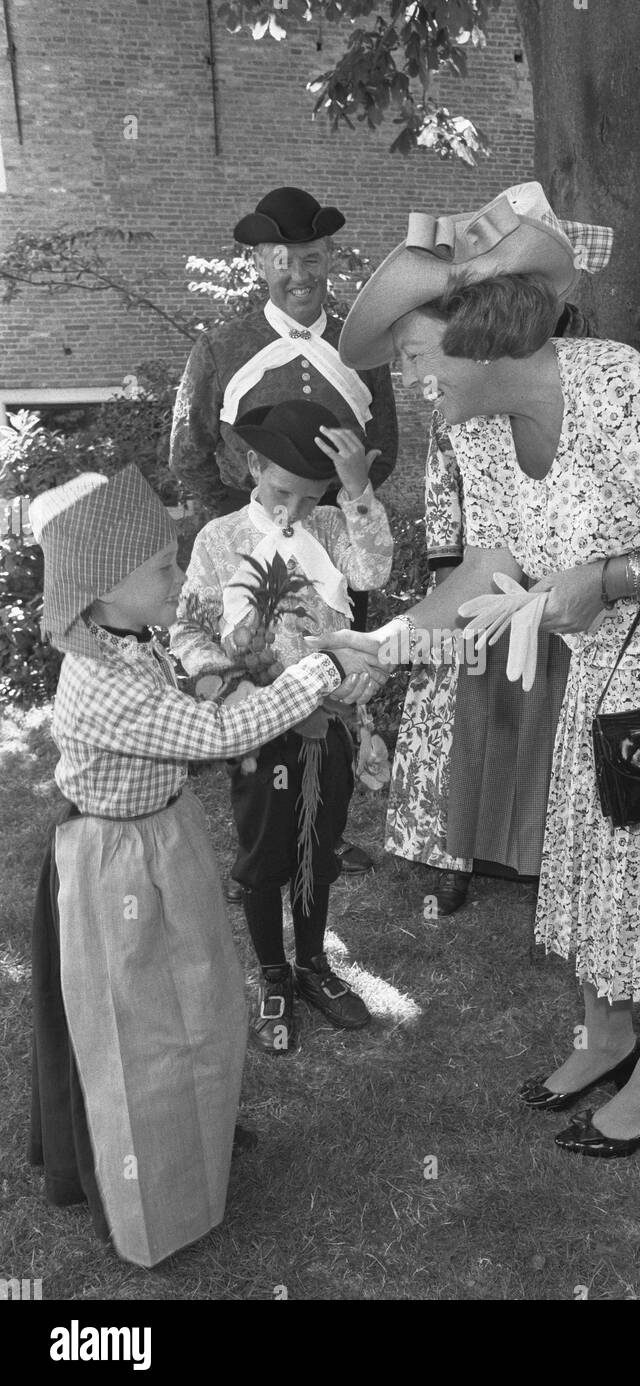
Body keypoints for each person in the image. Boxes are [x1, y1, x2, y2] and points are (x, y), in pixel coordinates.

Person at [316, 181, 640, 1160]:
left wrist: (613, 577)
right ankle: (606, 1035)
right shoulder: (478, 432)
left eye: (410, 357)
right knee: (591, 841)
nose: (410, 384)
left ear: (473, 329)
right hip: (608, 653)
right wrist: (389, 642)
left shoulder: (620, 392)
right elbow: (491, 566)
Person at [27, 465, 374, 1267]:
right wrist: (321, 669)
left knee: (203, 999)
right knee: (141, 1032)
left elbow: (191, 696)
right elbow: (218, 737)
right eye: (161, 568)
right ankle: (153, 1194)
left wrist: (223, 670)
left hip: (160, 836)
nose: (180, 577)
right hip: (115, 861)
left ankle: (195, 1129)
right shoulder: (98, 682)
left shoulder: (127, 638)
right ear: (103, 587)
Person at [170, 185, 399, 876]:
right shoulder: (224, 345)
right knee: (253, 693)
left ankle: (322, 829)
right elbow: (190, 447)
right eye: (281, 259)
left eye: (310, 256)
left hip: (333, 546)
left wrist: (331, 516)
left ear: (329, 254)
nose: (298, 274)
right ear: (259, 264)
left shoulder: (360, 348)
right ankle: (261, 841)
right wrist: (238, 530)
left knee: (328, 691)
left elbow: (381, 448)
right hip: (245, 550)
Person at [171, 400, 393, 1053]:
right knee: (266, 855)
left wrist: (356, 493)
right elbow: (188, 629)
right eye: (280, 493)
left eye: (309, 498)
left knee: (317, 851)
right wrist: (228, 684)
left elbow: (373, 570)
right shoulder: (219, 540)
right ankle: (272, 972)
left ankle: (312, 966)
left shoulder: (330, 528)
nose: (292, 512)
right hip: (259, 725)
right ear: (251, 466)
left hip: (327, 721)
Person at [385, 408, 570, 913]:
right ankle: (451, 857)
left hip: (561, 583)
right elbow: (444, 494)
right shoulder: (455, 406)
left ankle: (542, 858)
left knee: (546, 719)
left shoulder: (568, 402)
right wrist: (448, 585)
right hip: (473, 578)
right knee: (460, 724)